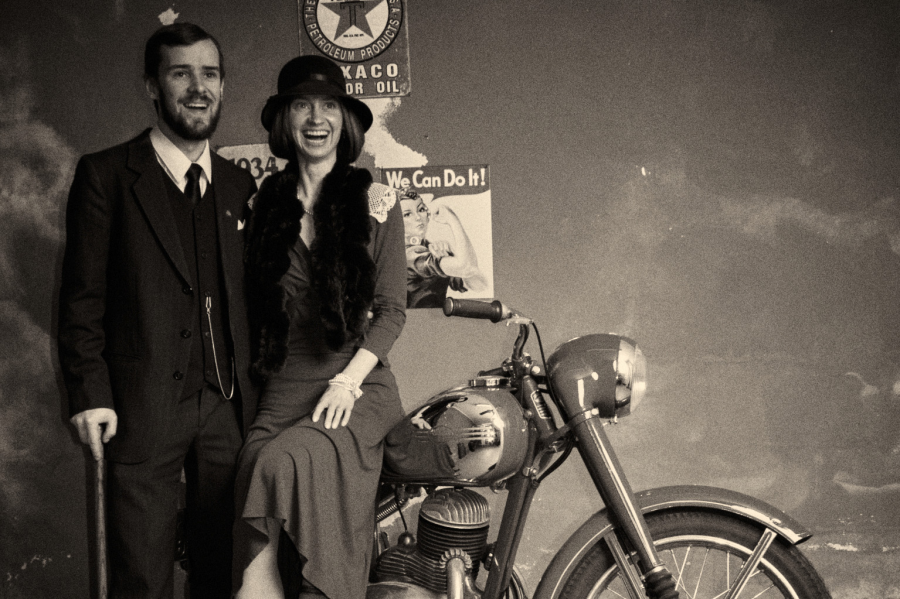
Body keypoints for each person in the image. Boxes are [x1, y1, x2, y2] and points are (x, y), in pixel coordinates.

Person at [57, 23, 258, 599]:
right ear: (151, 86)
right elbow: (81, 299)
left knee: (225, 572)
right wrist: (89, 393)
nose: (199, 88)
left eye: (210, 74)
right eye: (181, 74)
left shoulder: (239, 184)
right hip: (140, 407)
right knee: (141, 578)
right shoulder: (106, 175)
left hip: (228, 409)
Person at [233, 55, 407, 599]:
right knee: (254, 461)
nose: (316, 118)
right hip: (284, 385)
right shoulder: (261, 208)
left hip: (357, 383)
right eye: (302, 106)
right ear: (284, 120)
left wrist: (347, 382)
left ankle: (278, 585)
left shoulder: (377, 202)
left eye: (329, 105)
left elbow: (392, 310)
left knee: (282, 461)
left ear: (345, 119)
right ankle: (258, 584)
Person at [401, 189, 487, 308]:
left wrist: (451, 254)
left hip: (438, 317)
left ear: (428, 215)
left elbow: (479, 286)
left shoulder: (428, 247)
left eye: (421, 210)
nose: (418, 217)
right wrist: (453, 219)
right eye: (407, 214)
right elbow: (467, 267)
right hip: (418, 318)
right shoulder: (408, 254)